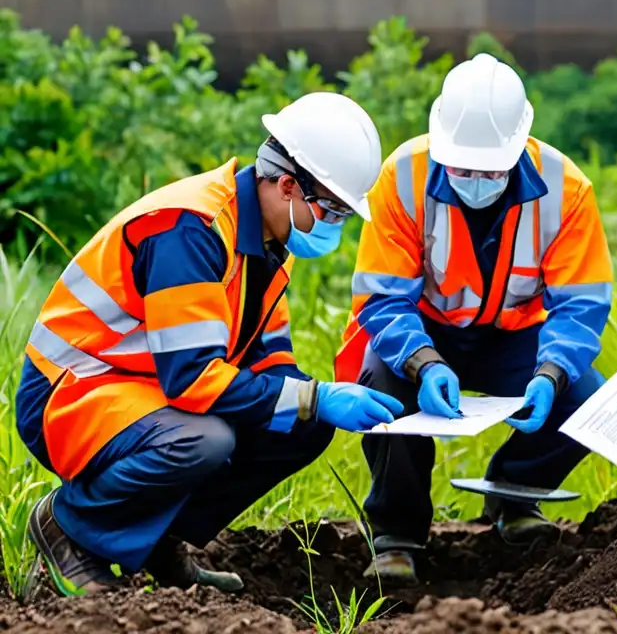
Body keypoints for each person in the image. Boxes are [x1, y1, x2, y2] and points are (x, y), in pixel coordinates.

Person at [16, 92, 404, 597]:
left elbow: (271, 363)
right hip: (72, 392)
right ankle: (68, 526)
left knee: (305, 428)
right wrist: (317, 397)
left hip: (146, 392)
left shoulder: (267, 249)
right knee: (205, 440)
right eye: (330, 210)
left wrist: (320, 398)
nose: (333, 227)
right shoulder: (190, 230)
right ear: (287, 185)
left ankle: (158, 538)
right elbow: (194, 379)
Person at [334, 53, 613, 584]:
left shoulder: (566, 188)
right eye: (462, 168)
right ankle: (397, 534)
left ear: (518, 149)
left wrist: (550, 373)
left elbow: (580, 305)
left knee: (588, 400)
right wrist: (423, 363)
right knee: (381, 382)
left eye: (489, 170)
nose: (475, 179)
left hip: (517, 338)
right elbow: (382, 298)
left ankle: (514, 495)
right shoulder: (402, 177)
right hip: (424, 333)